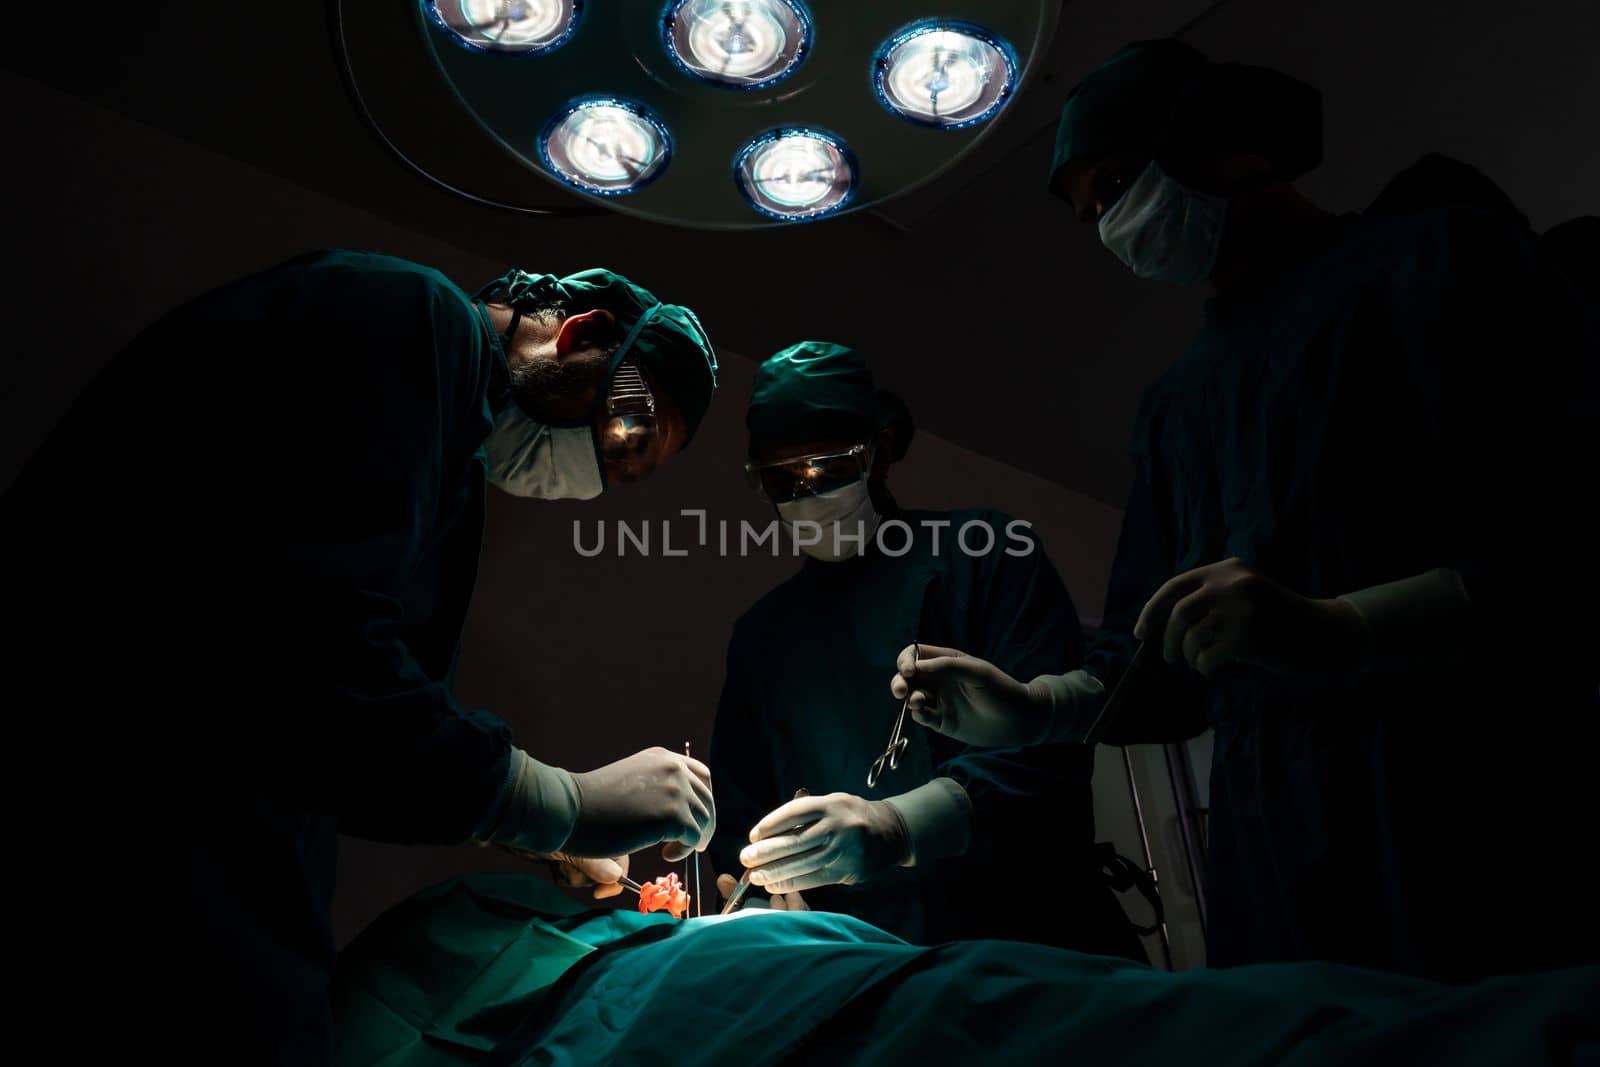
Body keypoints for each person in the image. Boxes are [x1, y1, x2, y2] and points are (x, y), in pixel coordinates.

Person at [889, 40, 1597, 982]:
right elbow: (1157, 666)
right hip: (1273, 840)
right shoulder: (1179, 406)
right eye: (1088, 213)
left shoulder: (1434, 259)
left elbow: (1567, 537)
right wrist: (1029, 709)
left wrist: (1349, 627)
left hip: (1471, 795)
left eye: (1117, 184)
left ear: (1221, 144)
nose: (1109, 226)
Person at [1, 251, 720, 1063]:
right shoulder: (413, 319)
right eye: (627, 424)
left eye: (631, 471)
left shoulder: (449, 465)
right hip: (121, 823)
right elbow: (320, 666)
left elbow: (369, 726)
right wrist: (563, 802)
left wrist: (538, 832)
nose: (610, 465)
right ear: (582, 332)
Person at [709, 341, 1142, 959]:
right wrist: (748, 875)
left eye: (827, 467)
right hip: (861, 959)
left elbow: (1049, 750)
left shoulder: (988, 553)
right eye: (780, 477)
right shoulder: (762, 636)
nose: (804, 492)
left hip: (1031, 939)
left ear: (882, 447)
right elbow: (741, 799)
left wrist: (898, 826)